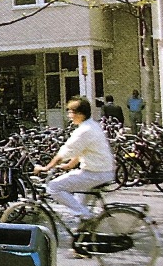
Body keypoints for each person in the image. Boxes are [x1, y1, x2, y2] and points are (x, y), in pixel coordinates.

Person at [33, 96, 115, 229]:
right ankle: (84, 239)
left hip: (94, 173)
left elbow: (64, 152)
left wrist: (45, 168)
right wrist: (70, 165)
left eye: (71, 112)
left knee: (53, 187)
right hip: (101, 171)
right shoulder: (92, 125)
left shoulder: (83, 131)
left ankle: (87, 217)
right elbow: (81, 150)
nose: (69, 115)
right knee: (79, 204)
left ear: (80, 114)